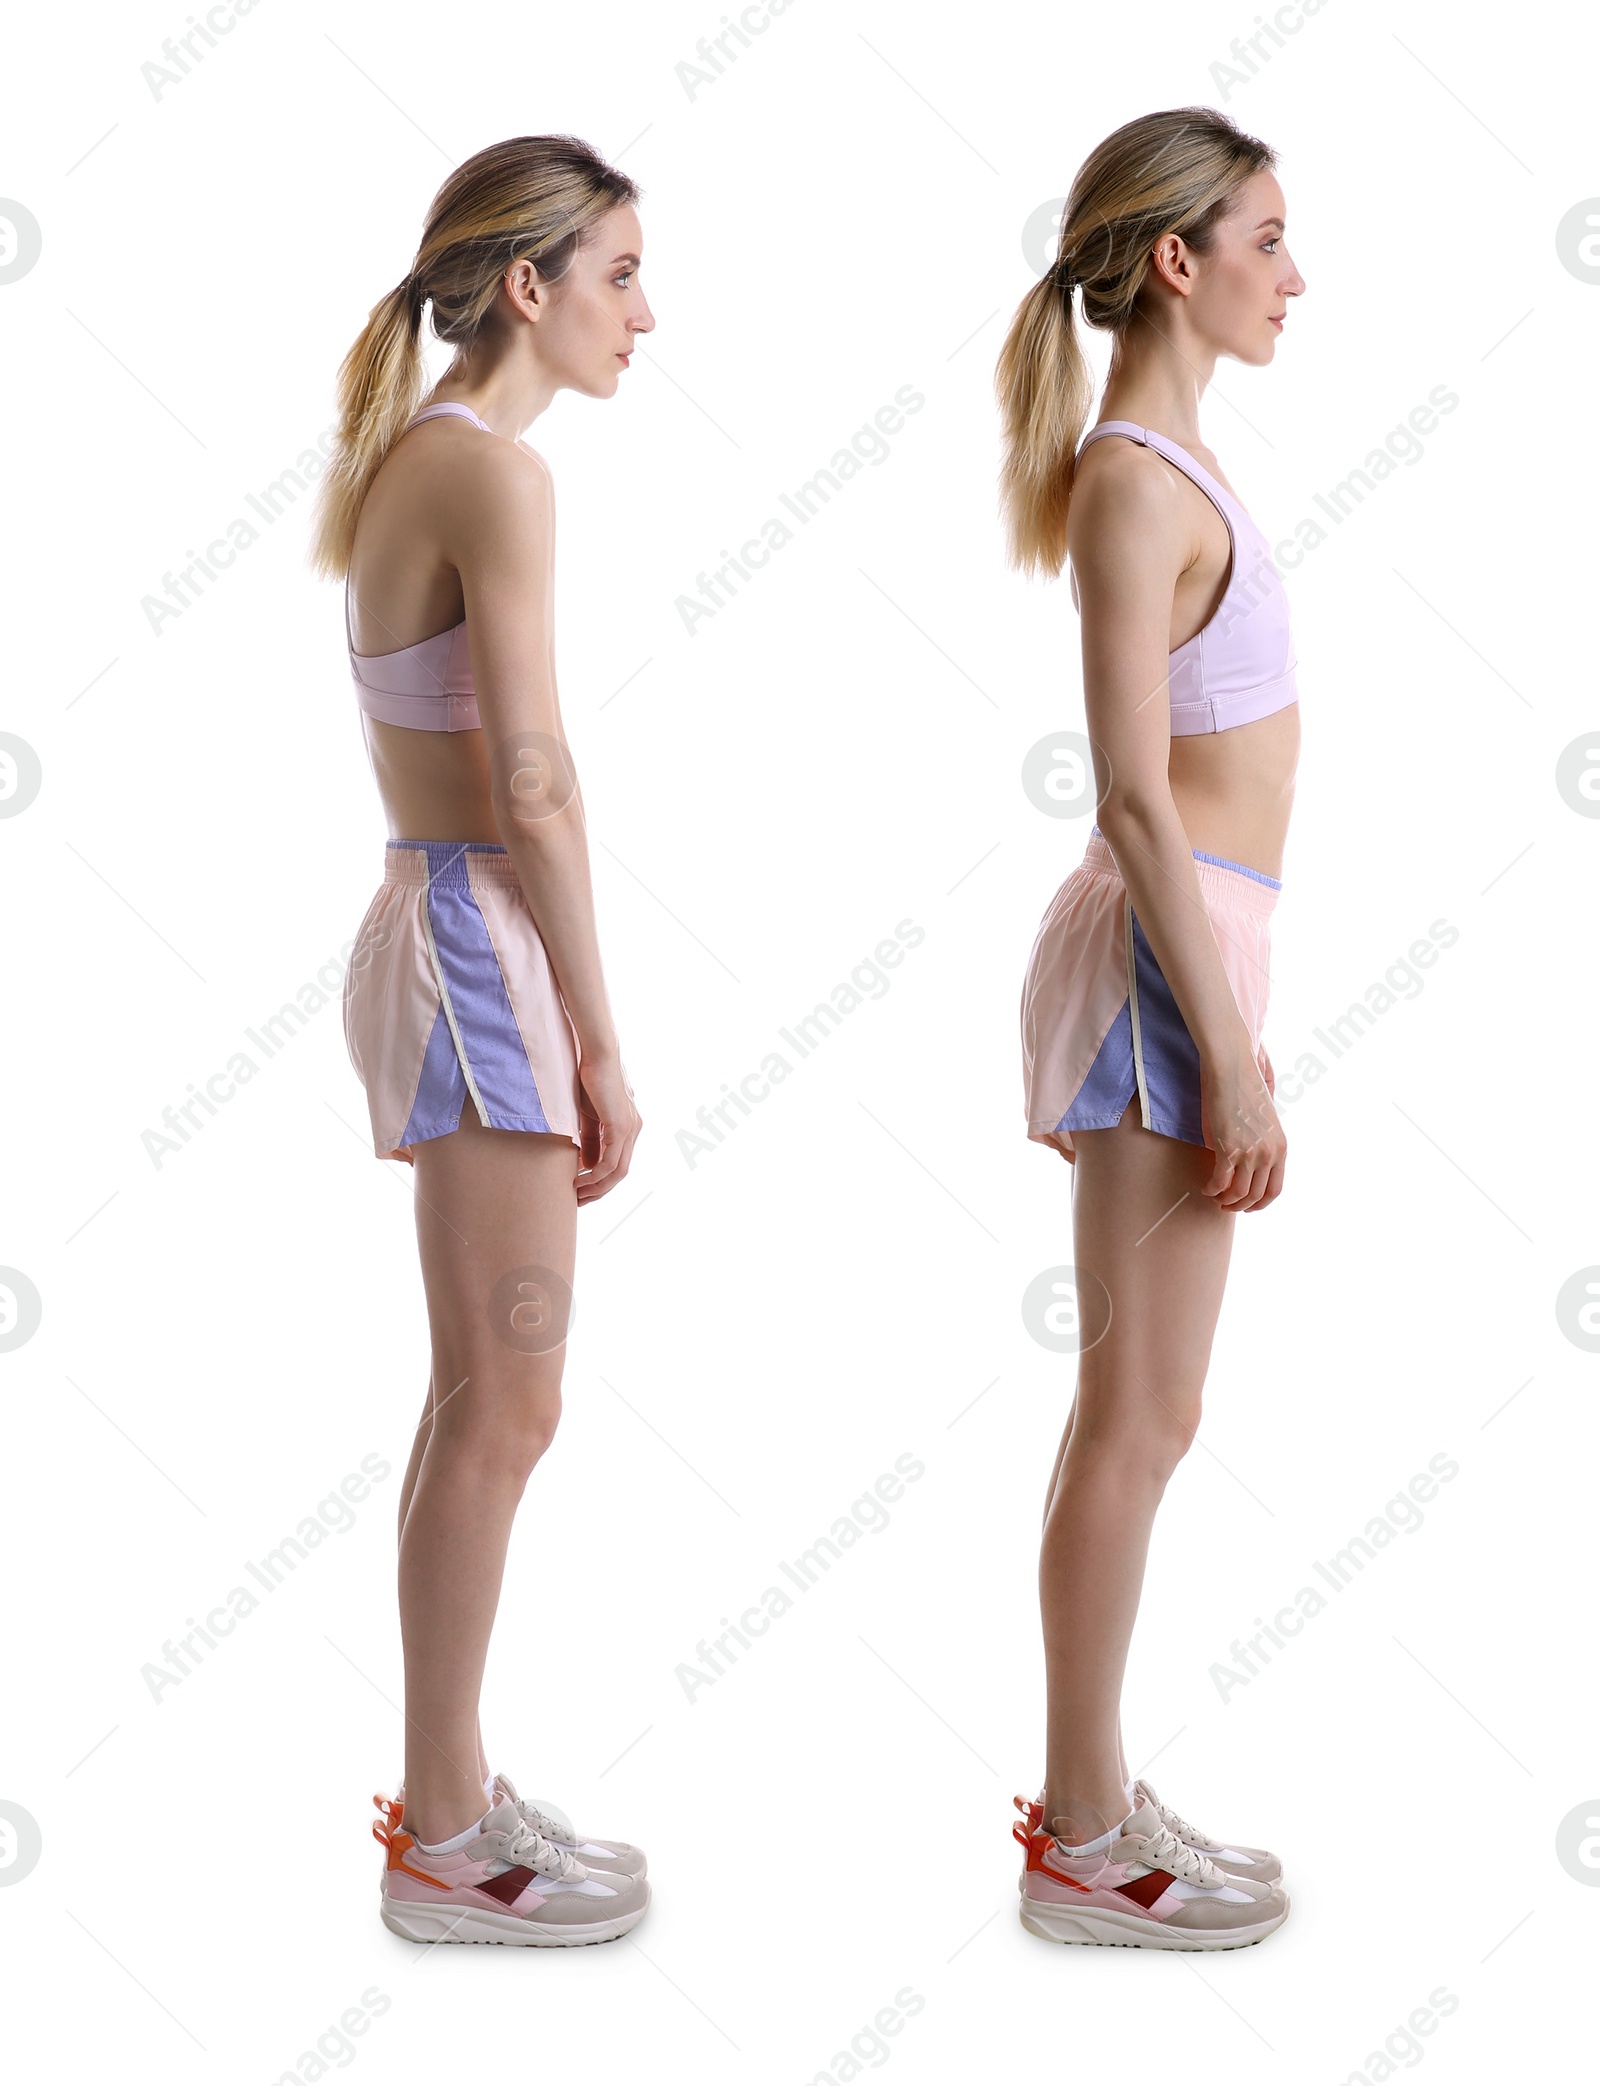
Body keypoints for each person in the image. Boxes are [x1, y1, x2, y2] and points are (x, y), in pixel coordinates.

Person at [308, 134, 654, 1947]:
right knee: (507, 1400)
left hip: (433, 922)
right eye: (616, 275)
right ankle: (443, 1833)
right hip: (476, 936)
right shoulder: (489, 474)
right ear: (528, 286)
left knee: (483, 1396)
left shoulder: (416, 460)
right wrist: (599, 1034)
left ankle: (450, 1797)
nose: (641, 314)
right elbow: (531, 775)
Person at [996, 106, 1306, 1950]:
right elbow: (1131, 794)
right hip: (1162, 967)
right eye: (1267, 236)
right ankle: (1082, 1836)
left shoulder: (1176, 468)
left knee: (1155, 1404)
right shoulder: (1133, 480)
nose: (1295, 272)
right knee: (1136, 1406)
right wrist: (1235, 1049)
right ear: (1177, 260)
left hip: (1204, 953)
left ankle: (1099, 1800)